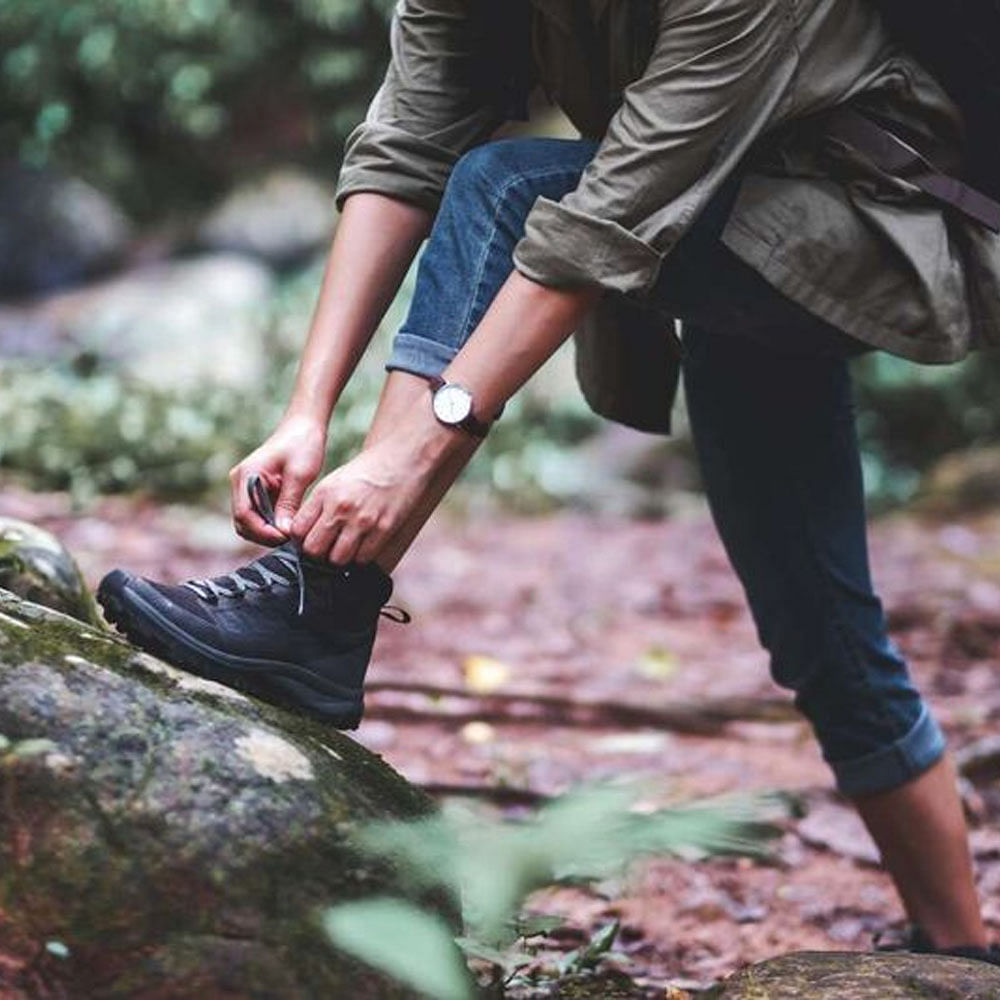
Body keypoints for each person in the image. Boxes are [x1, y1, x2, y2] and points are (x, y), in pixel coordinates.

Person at [99, 0, 1000, 961]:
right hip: (731, 218)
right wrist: (305, 414)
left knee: (507, 184)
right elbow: (406, 144)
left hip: (885, 216)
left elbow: (599, 221)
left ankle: (324, 600)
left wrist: (406, 460)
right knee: (818, 624)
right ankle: (958, 949)